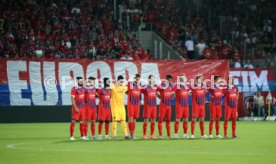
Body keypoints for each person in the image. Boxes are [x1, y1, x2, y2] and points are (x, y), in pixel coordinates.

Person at [173, 73, 190, 138]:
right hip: (179, 105)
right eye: (181, 78)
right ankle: (176, 134)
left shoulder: (187, 86)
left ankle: (185, 134)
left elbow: (189, 93)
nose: (182, 79)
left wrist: (189, 93)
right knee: (178, 119)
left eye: (183, 78)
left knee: (186, 119)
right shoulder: (177, 86)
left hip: (186, 105)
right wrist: (173, 93)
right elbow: (172, 92)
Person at [157, 75, 174, 139]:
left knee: (168, 120)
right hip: (163, 105)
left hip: (169, 105)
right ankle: (160, 135)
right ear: (166, 79)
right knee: (160, 120)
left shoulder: (170, 86)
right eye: (169, 80)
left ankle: (169, 135)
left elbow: (171, 94)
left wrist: (172, 95)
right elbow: (156, 90)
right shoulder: (162, 85)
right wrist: (158, 96)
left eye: (170, 80)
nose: (170, 81)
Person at [70, 77, 86, 141]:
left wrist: (84, 102)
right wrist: (75, 107)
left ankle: (82, 136)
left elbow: (83, 97)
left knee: (82, 121)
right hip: (76, 108)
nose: (81, 82)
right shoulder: (74, 89)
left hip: (82, 108)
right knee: (73, 121)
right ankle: (71, 136)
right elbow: (72, 99)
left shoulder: (83, 88)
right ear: (77, 81)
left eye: (82, 81)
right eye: (80, 81)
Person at [141, 75, 157, 139]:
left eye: (154, 79)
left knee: (153, 120)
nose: (153, 80)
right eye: (152, 79)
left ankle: (152, 135)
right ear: (149, 79)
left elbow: (158, 94)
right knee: (146, 120)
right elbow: (139, 90)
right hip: (147, 106)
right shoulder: (145, 87)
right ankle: (144, 135)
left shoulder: (155, 87)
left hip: (154, 106)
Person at [127, 74, 141, 139]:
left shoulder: (139, 85)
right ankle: (131, 134)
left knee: (135, 119)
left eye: (138, 79)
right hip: (131, 104)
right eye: (136, 78)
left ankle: (133, 134)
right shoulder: (130, 83)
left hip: (137, 104)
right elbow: (126, 90)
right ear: (134, 78)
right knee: (131, 118)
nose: (137, 80)